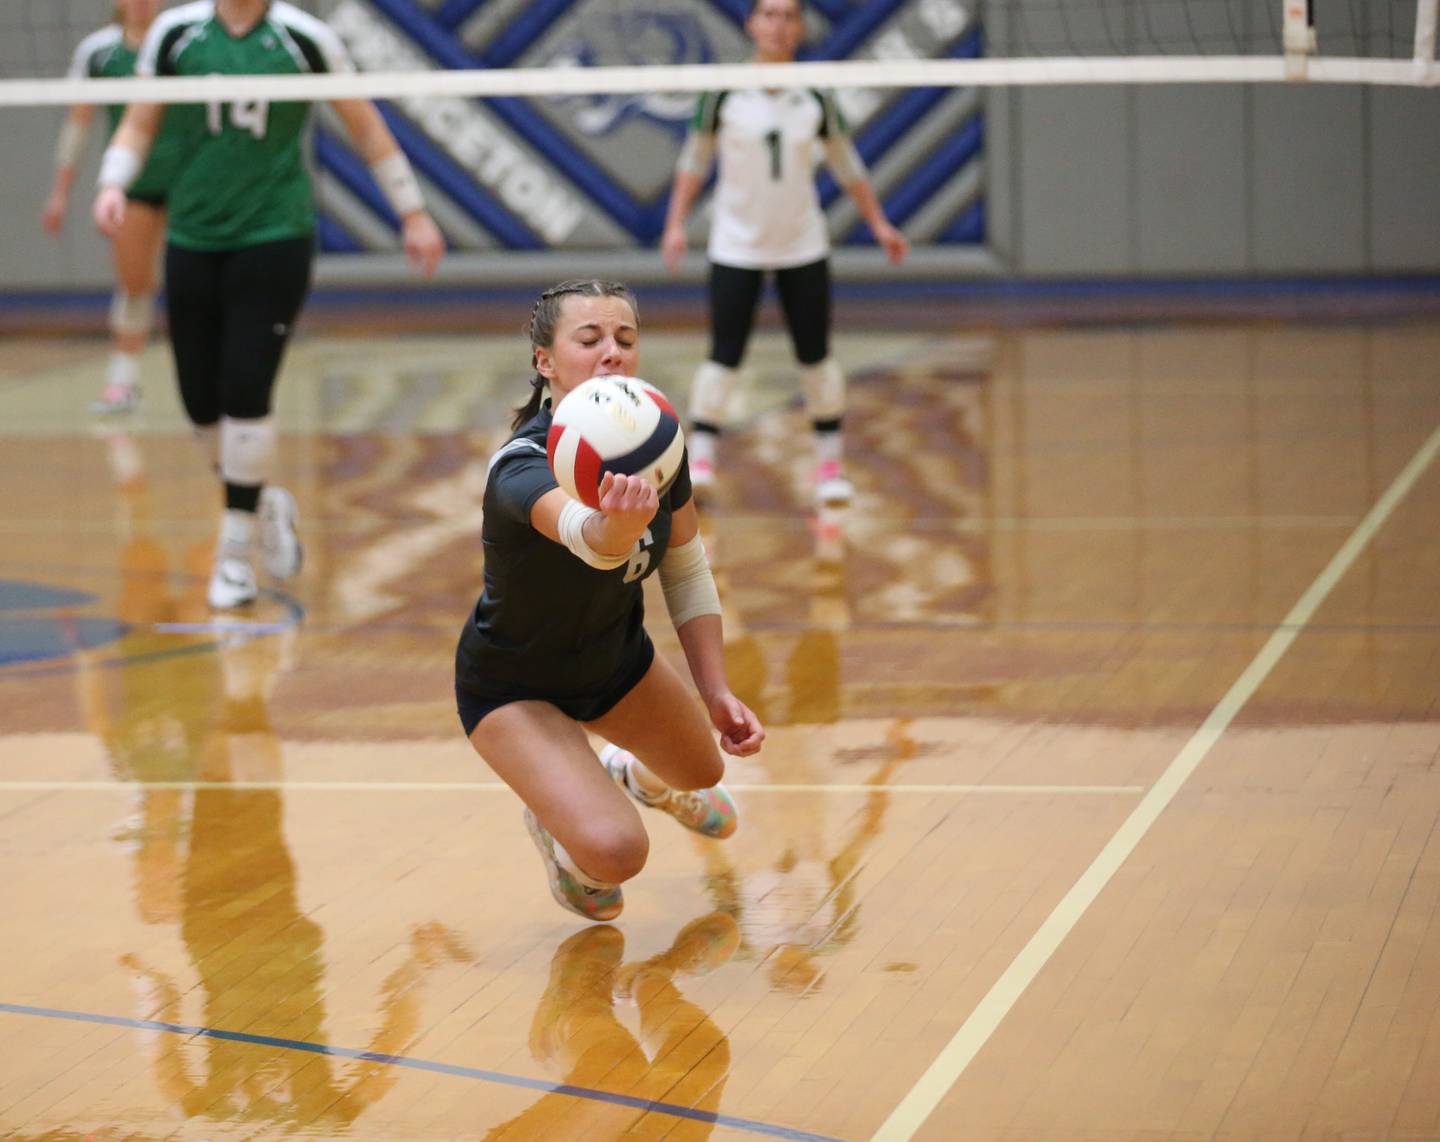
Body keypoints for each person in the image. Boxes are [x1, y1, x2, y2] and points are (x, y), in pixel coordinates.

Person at [93, 0, 445, 610]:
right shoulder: (177, 35)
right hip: (193, 236)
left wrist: (411, 211)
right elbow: (138, 122)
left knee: (246, 388)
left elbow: (366, 128)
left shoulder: (303, 39)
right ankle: (261, 501)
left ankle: (232, 556)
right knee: (201, 405)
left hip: (274, 236)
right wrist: (112, 182)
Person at [455, 279, 765, 922]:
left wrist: (716, 691)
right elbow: (590, 540)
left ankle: (629, 772)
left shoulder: (656, 442)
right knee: (619, 853)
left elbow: (684, 568)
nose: (612, 353)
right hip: (514, 686)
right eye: (589, 339)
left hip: (614, 662)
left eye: (626, 339)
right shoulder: (520, 464)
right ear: (545, 360)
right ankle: (561, 838)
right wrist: (617, 527)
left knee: (703, 769)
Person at [660, 0, 910, 504]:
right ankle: (701, 459)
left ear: (799, 26)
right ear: (752, 23)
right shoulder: (725, 89)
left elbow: (846, 163)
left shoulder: (814, 91)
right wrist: (675, 224)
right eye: (768, 14)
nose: (778, 25)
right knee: (724, 354)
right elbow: (695, 159)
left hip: (802, 244)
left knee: (815, 354)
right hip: (736, 244)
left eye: (788, 15)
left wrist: (879, 222)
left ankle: (829, 467)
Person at [42, 0, 185, 415]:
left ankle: (212, 383)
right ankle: (122, 384)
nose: (141, 4)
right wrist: (60, 193)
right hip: (132, 185)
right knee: (135, 285)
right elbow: (78, 124)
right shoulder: (98, 53)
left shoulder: (180, 43)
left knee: (198, 286)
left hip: (189, 182)